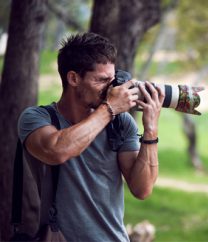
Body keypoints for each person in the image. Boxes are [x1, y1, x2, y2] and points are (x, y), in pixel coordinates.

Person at [17, 32, 164, 241]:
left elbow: (142, 189)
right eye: (101, 80)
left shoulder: (120, 123)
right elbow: (57, 151)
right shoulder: (37, 118)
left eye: (112, 80)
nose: (110, 89)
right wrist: (109, 108)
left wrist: (151, 129)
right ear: (73, 78)